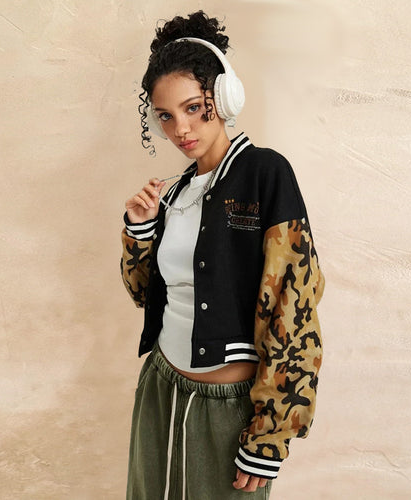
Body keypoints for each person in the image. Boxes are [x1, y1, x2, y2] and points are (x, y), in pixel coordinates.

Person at [120, 10, 325, 500]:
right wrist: (140, 228)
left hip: (228, 408)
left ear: (224, 97)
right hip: (160, 389)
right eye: (166, 116)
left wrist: (270, 436)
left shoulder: (265, 174)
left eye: (194, 107)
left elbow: (294, 308)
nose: (181, 128)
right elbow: (146, 295)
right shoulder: (175, 193)